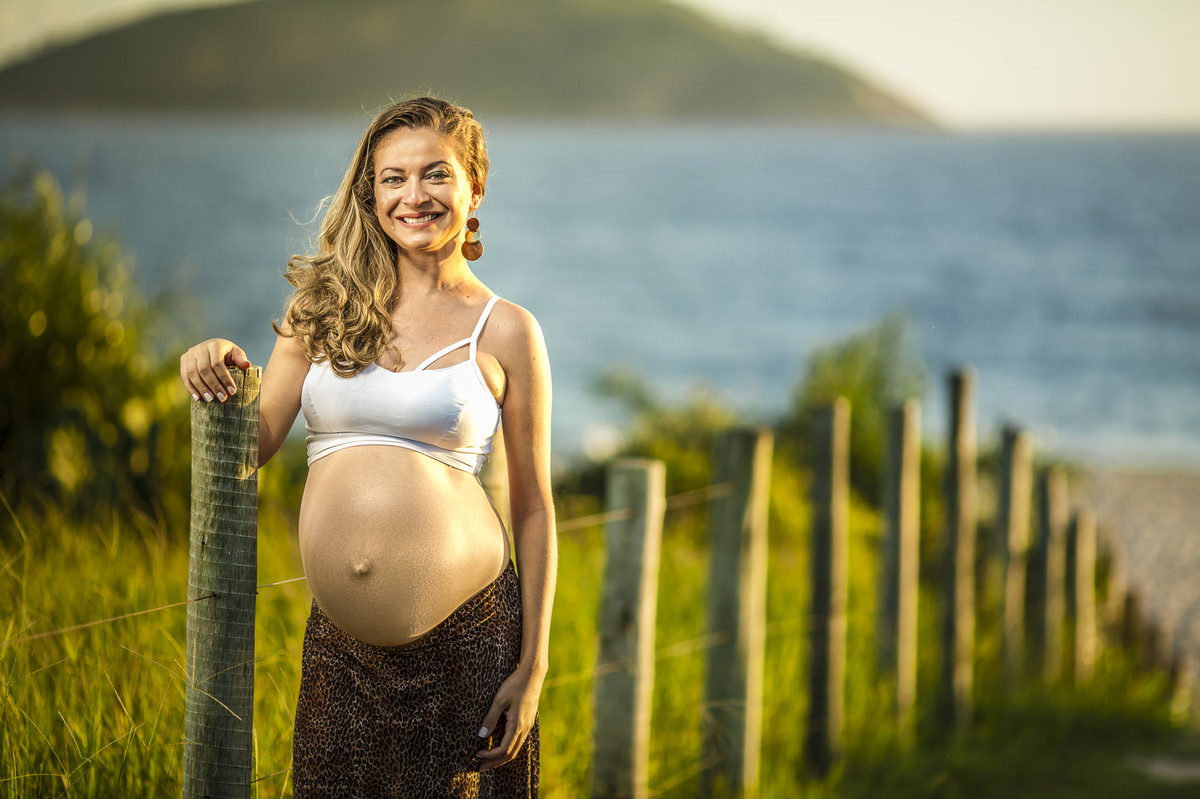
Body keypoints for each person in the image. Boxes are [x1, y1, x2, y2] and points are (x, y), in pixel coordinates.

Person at [179, 96, 555, 797]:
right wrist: (212, 366)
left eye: (436, 175)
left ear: (474, 186)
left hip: (469, 642)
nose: (415, 195)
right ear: (370, 193)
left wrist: (530, 669)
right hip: (341, 654)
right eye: (393, 178)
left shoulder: (507, 330)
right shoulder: (318, 310)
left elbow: (534, 509)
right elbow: (249, 447)